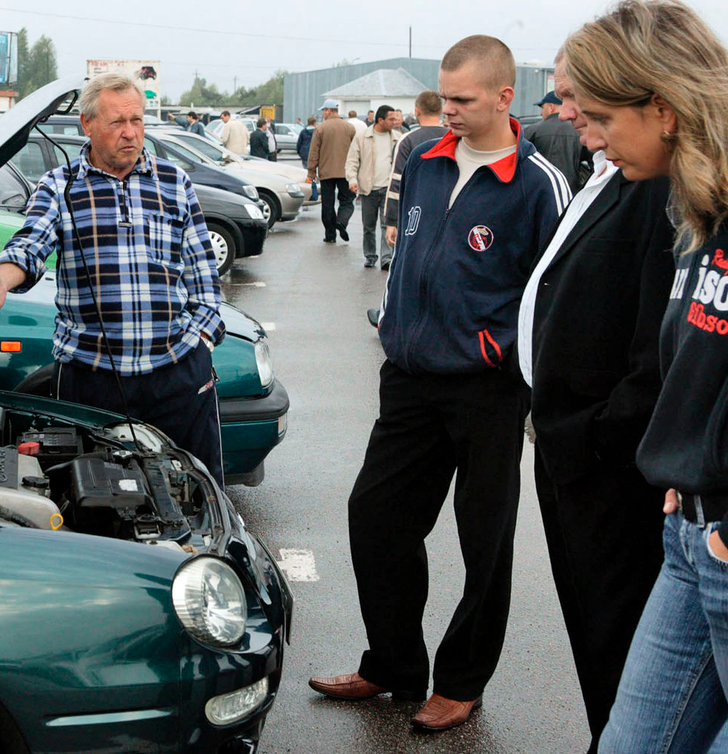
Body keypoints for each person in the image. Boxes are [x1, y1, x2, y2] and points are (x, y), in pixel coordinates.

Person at [309, 35, 568, 731]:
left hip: (487, 389)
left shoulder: (539, 183)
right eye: (443, 97)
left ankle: (460, 681)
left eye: (462, 100)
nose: (446, 111)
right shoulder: (421, 158)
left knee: (485, 542)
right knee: (377, 518)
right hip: (411, 378)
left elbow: (556, 295)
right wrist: (397, 325)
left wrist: (497, 348)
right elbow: (408, 251)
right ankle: (393, 665)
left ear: (503, 97)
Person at [561, 2, 728, 750]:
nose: (587, 136)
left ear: (660, 106)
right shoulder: (698, 211)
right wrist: (684, 457)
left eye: (598, 115)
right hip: (687, 533)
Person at [0, 73, 226, 485]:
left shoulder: (174, 182)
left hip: (177, 374)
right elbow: (30, 245)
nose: (131, 133)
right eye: (117, 123)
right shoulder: (59, 187)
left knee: (197, 492)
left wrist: (202, 341)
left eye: (137, 120)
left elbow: (203, 270)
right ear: (87, 124)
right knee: (97, 501)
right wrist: (2, 279)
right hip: (92, 381)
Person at [519, 49, 673, 752]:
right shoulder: (614, 174)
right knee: (597, 636)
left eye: (583, 97)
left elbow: (658, 353)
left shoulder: (654, 188)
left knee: (622, 644)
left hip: (607, 463)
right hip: (573, 447)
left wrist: (591, 437)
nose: (570, 111)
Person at [366, 90, 449, 326]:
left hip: (415, 214)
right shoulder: (455, 136)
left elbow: (396, 184)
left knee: (401, 266)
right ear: (441, 110)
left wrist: (391, 221)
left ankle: (387, 315)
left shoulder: (408, 140)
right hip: (447, 211)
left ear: (418, 111)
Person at [345, 104, 404, 268]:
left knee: (388, 224)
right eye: (391, 119)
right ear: (380, 120)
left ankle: (387, 258)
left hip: (389, 189)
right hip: (368, 188)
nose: (395, 122)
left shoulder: (398, 138)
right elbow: (352, 161)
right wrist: (352, 180)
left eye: (396, 118)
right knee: (368, 226)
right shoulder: (363, 136)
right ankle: (370, 256)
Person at [306, 98, 357, 244]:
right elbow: (356, 151)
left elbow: (314, 151)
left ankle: (330, 234)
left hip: (326, 172)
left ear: (328, 110)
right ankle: (341, 221)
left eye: (324, 110)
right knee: (347, 200)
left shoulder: (321, 128)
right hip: (346, 172)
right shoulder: (349, 128)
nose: (323, 113)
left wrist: (311, 171)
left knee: (327, 203)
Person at [523, 90, 593, 194]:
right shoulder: (579, 132)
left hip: (538, 191)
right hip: (572, 191)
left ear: (551, 107)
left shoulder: (531, 131)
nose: (541, 112)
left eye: (543, 108)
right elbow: (595, 161)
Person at [296, 116, 319, 201]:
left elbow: (299, 143)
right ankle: (317, 188)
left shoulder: (303, 132)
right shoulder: (317, 131)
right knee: (317, 172)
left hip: (305, 153)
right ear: (314, 123)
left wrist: (299, 151)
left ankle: (310, 188)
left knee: (307, 171)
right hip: (316, 154)